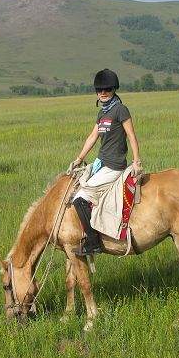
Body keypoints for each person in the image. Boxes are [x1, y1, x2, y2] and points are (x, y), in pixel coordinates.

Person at [67, 69, 142, 255]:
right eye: (99, 89)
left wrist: (137, 160)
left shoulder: (120, 110)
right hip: (102, 162)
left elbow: (131, 135)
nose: (103, 92)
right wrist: (79, 159)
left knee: (80, 199)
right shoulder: (102, 113)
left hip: (114, 165)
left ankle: (93, 243)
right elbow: (93, 136)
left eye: (107, 89)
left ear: (113, 89)